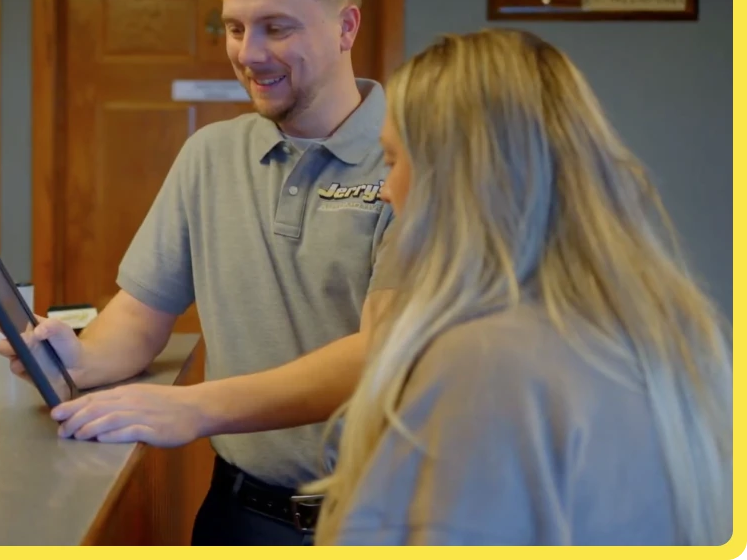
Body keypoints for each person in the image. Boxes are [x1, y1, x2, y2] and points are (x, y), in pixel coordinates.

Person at [0, 0, 395, 546]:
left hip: (383, 520)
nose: (249, 52)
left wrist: (194, 406)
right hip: (239, 515)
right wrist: (78, 357)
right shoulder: (209, 155)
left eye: (276, 27)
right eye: (235, 28)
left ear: (347, 27)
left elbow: (383, 354)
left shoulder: (412, 161)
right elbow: (140, 314)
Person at [305, 30, 733, 546]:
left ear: (456, 177)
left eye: (394, 162)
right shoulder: (671, 332)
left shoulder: (482, 362)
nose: (386, 189)